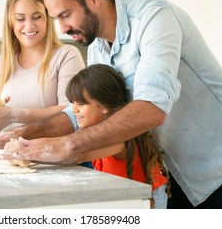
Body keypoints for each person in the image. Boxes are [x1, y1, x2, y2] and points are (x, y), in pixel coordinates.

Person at [0, 0, 222, 209]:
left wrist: (65, 146)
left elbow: (153, 108)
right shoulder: (97, 49)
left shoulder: (155, 19)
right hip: (177, 177)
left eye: (65, 15)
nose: (62, 29)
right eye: (55, 19)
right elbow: (77, 114)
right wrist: (21, 135)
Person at [0, 0, 85, 138]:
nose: (29, 26)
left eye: (37, 17)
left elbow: (71, 111)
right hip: (9, 157)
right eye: (20, 18)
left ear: (47, 19)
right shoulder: (1, 64)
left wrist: (15, 115)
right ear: (11, 23)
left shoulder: (67, 55)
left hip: (54, 159)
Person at [65, 64, 170, 209]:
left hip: (149, 198)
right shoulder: (95, 128)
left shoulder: (118, 137)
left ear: (104, 106)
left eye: (81, 103)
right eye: (72, 102)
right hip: (126, 196)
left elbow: (78, 154)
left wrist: (34, 151)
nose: (73, 109)